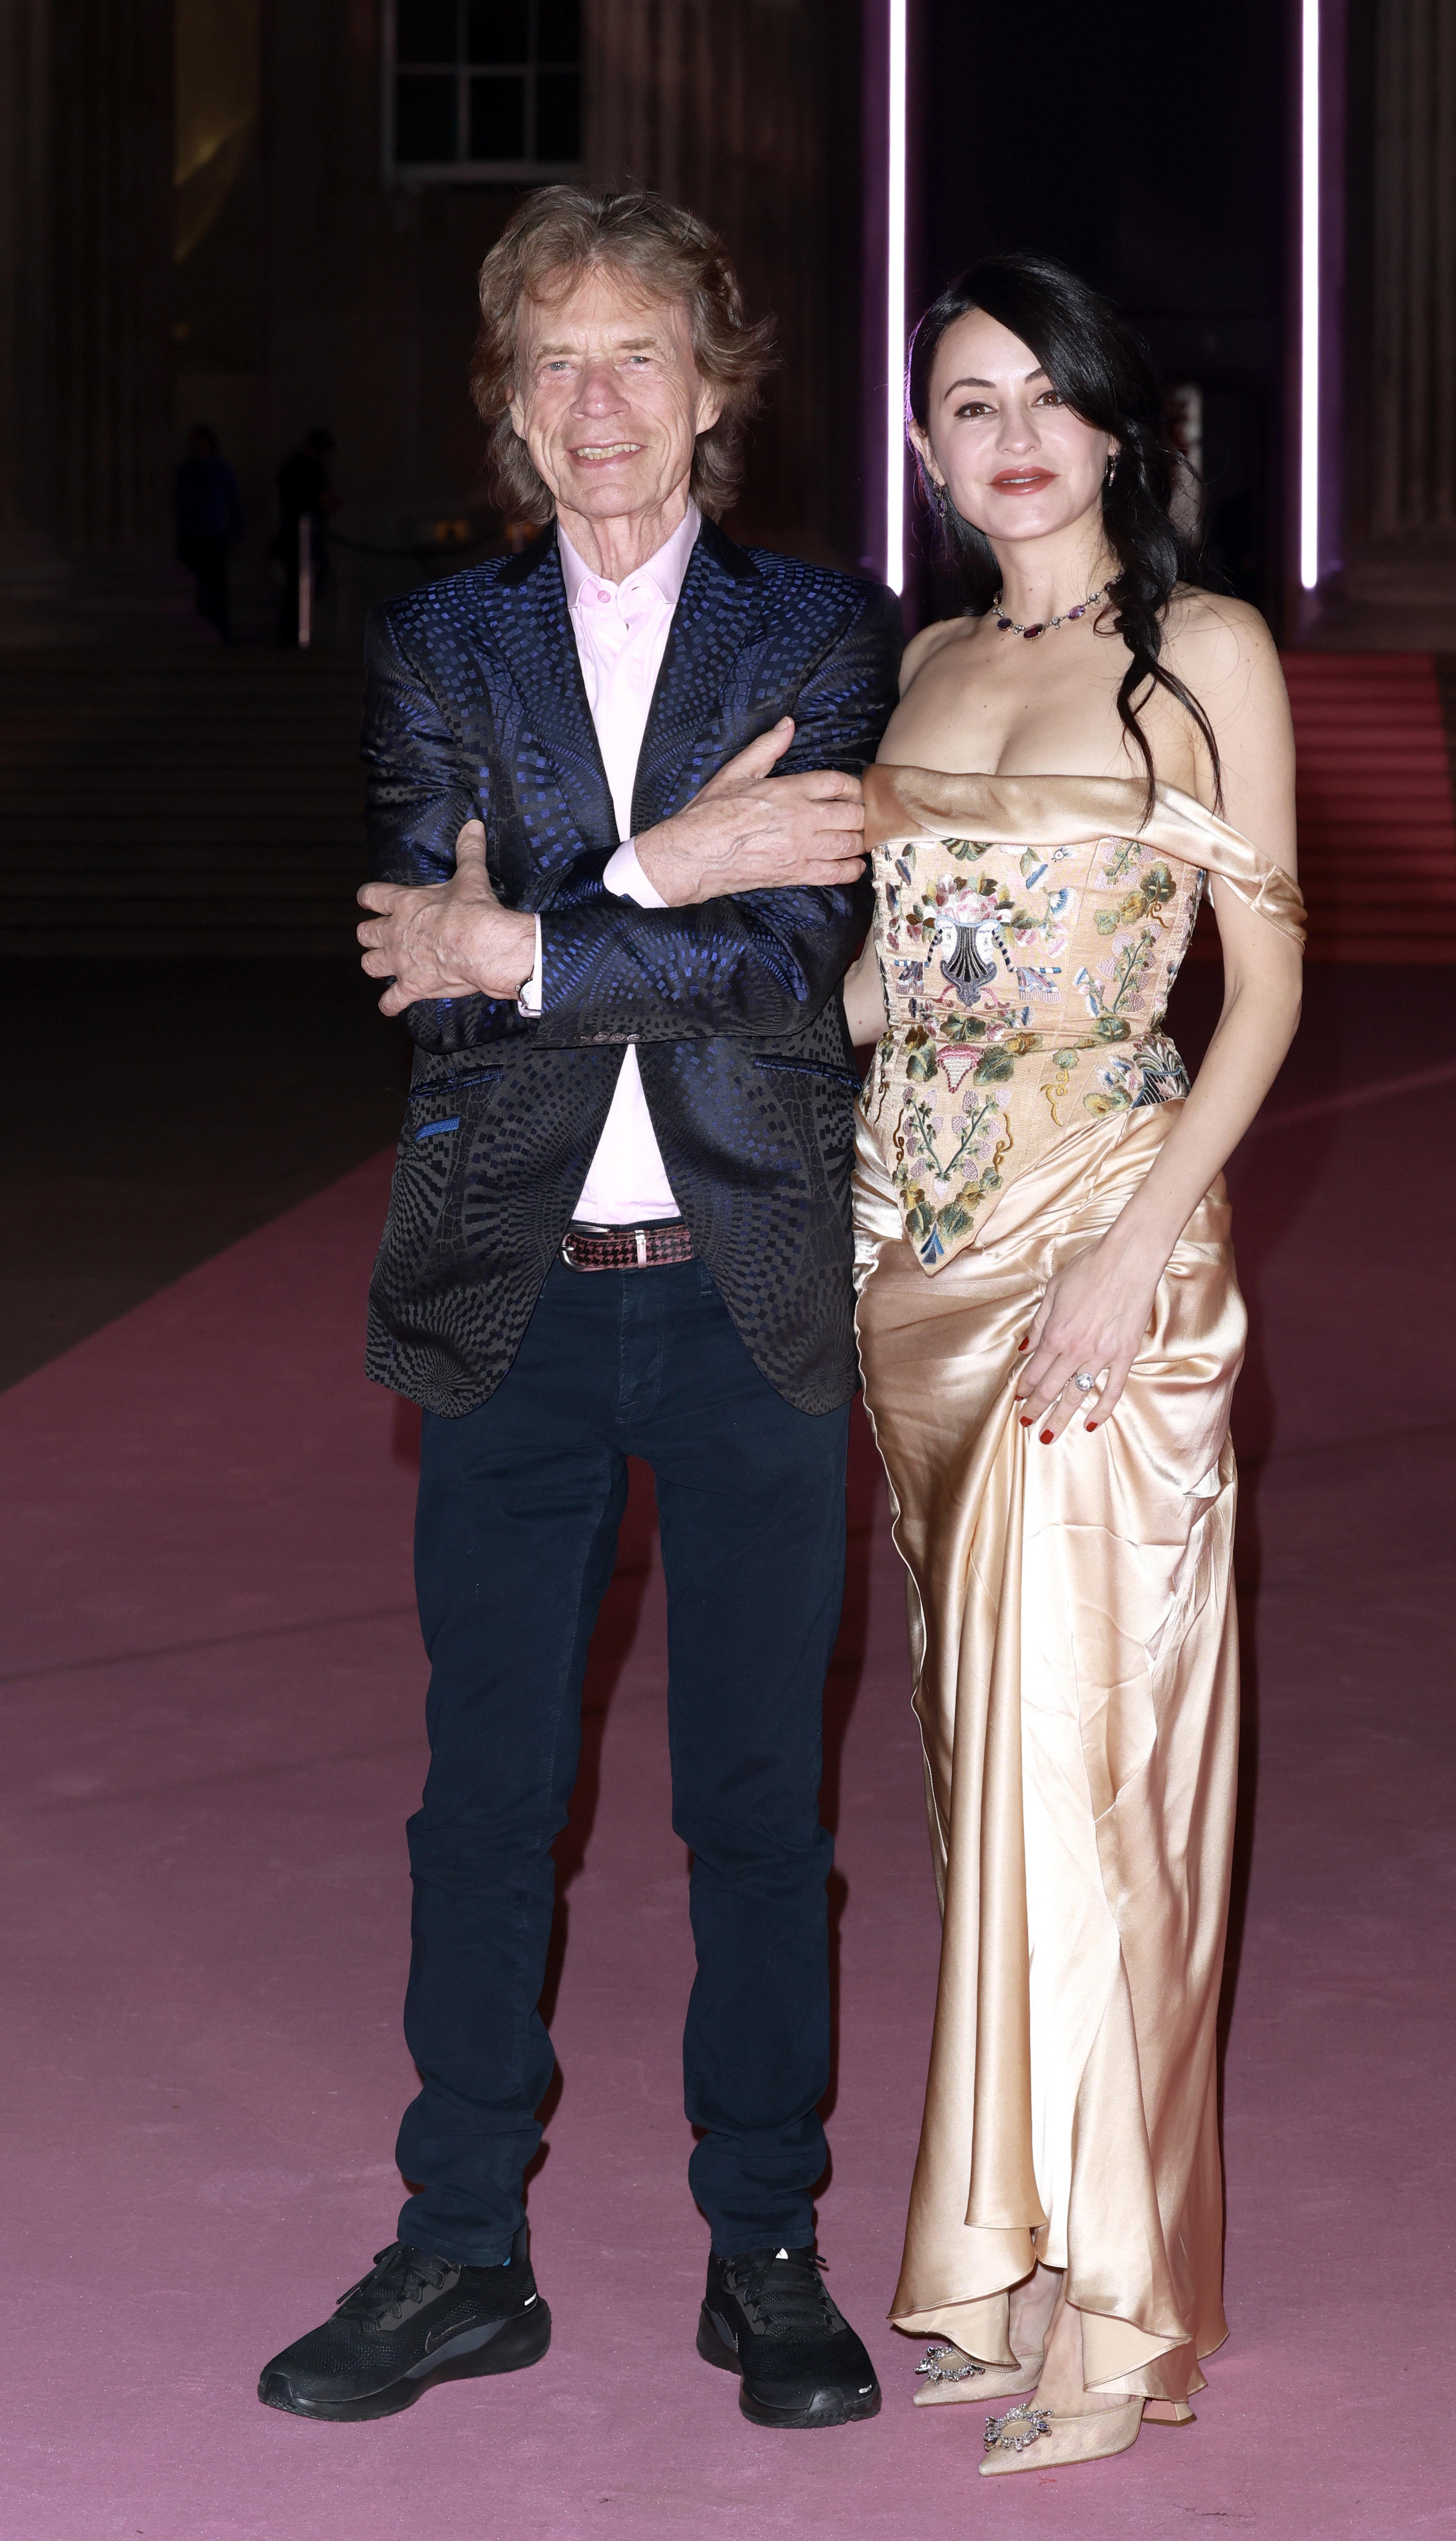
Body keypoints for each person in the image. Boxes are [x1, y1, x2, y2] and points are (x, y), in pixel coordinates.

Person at [255, 190, 901, 2430]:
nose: (596, 399)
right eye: (553, 360)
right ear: (509, 408)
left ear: (714, 388)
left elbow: (792, 960)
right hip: (510, 1296)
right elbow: (429, 989)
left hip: (748, 1296)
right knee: (482, 1799)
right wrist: (653, 870)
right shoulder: (443, 645)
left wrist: (536, 929)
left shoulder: (818, 627)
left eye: (637, 353)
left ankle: (765, 2243)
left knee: (755, 1801)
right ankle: (460, 2248)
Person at [841, 255, 1306, 2478]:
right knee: (977, 1769)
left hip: (1101, 1256)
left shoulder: (1200, 649)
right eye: (967, 402)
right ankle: (1003, 2247)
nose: (1011, 435)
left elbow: (1264, 988)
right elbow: (880, 983)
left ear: (1117, 428)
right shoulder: (920, 663)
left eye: (1046, 395)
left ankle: (1117, 2307)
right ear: (921, 447)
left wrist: (1133, 1250)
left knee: (1086, 1771)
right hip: (907, 1261)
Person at [173, 423, 243, 641]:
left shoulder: (220, 469)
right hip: (192, 537)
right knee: (198, 587)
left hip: (214, 536)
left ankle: (221, 632)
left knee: (217, 588)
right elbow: (179, 504)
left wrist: (236, 538)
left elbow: (235, 505)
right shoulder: (186, 471)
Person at [274, 427, 335, 645]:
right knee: (303, 584)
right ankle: (298, 636)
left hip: (290, 533)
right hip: (306, 535)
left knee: (293, 585)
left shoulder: (290, 467)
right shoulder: (313, 470)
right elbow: (323, 501)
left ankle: (291, 636)